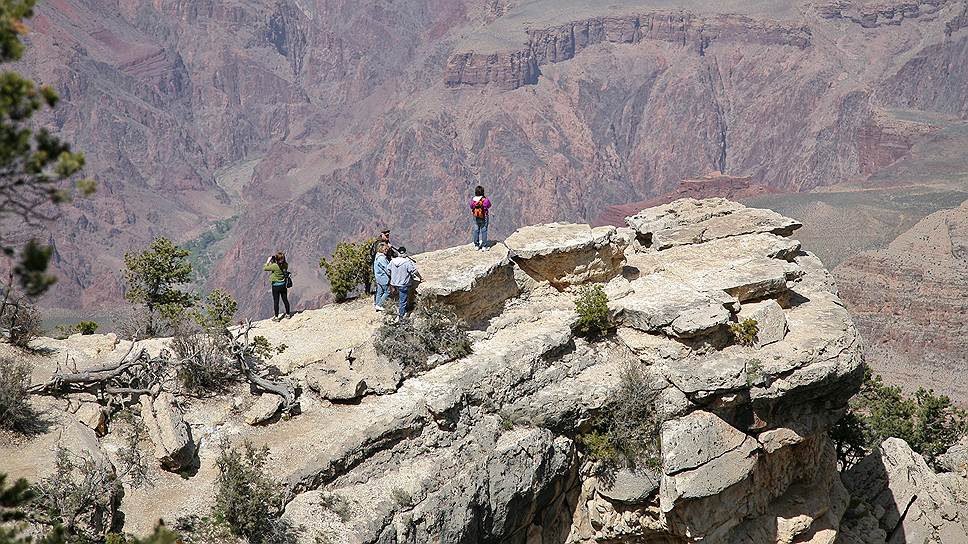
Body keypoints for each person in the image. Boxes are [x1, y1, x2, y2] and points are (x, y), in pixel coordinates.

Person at [388, 246, 421, 321]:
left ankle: (394, 313)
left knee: (397, 299)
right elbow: (414, 271)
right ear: (405, 253)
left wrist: (393, 276)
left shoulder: (393, 261)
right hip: (403, 284)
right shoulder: (407, 262)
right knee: (403, 301)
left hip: (394, 284)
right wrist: (421, 278)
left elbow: (388, 270)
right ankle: (401, 317)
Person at [263, 252, 292, 321]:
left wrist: (268, 261)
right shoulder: (285, 265)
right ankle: (288, 314)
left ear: (277, 259)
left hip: (275, 286)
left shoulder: (275, 266)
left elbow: (265, 268)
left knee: (276, 301)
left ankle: (276, 317)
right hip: (283, 285)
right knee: (285, 300)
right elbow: (282, 264)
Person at [367, 227, 395, 293]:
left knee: (380, 287)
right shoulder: (379, 243)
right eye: (386, 235)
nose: (387, 236)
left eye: (388, 235)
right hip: (380, 266)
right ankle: (382, 301)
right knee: (383, 284)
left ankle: (378, 302)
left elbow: (392, 253)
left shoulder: (386, 242)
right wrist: (388, 248)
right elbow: (381, 254)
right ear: (382, 234)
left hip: (384, 264)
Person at [470, 185, 491, 251]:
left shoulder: (473, 200)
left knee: (476, 230)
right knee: (484, 231)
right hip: (484, 217)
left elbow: (471, 206)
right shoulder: (485, 200)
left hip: (476, 217)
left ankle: (476, 245)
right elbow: (489, 205)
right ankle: (484, 247)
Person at [373, 242, 391, 312]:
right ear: (381, 249)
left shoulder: (377, 256)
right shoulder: (381, 258)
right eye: (385, 249)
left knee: (380, 292)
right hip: (383, 278)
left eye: (387, 249)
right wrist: (392, 275)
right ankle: (379, 305)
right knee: (387, 291)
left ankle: (377, 305)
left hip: (378, 277)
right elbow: (386, 269)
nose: (386, 250)